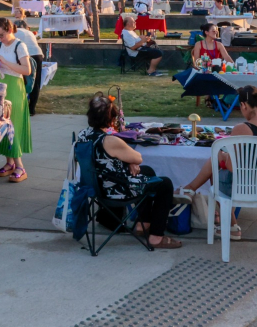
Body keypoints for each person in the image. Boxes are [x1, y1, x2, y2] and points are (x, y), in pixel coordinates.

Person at [181, 86, 257, 242]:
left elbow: (232, 166)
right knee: (219, 163)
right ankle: (192, 191)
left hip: (246, 187)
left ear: (244, 105)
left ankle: (228, 223)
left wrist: (223, 157)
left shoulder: (242, 128)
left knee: (217, 166)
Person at [76, 95, 182, 249]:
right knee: (165, 184)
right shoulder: (110, 141)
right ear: (112, 119)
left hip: (96, 185)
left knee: (148, 171)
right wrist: (131, 161)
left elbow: (106, 160)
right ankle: (156, 237)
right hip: (115, 190)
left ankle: (143, 224)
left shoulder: (83, 135)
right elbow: (138, 157)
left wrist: (128, 161)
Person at [0, 18, 33, 183]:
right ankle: (10, 163)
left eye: (2, 35)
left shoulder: (19, 45)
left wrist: (5, 62)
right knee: (1, 123)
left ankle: (20, 166)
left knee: (13, 123)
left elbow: (27, 70)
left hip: (14, 85)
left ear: (10, 30)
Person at [13, 19, 44, 116]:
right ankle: (32, 109)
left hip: (26, 55)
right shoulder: (30, 32)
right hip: (38, 54)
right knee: (36, 82)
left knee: (23, 81)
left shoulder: (15, 33)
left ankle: (22, 105)